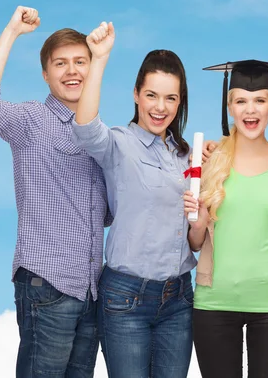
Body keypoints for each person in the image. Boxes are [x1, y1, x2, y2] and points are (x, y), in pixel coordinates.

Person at [0, 6, 108, 377]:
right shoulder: (31, 121)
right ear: (46, 75)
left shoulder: (101, 136)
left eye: (80, 61)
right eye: (61, 64)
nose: (72, 71)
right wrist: (12, 31)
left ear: (94, 69)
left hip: (91, 290)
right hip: (48, 287)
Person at [71, 22, 196, 378]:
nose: (160, 107)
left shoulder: (186, 156)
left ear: (180, 102)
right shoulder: (118, 144)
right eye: (152, 95)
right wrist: (99, 59)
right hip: (126, 299)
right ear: (136, 94)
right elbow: (84, 126)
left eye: (171, 98)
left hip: (179, 299)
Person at [183, 60, 268, 378]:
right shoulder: (207, 163)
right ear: (230, 106)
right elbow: (195, 243)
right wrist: (198, 221)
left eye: (260, 100)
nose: (251, 110)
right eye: (241, 101)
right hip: (214, 304)